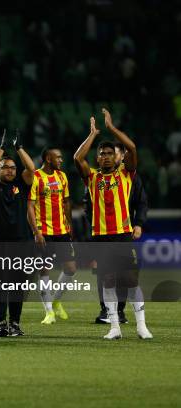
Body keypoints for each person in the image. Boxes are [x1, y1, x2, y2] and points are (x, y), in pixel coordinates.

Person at [73, 110, 152, 340]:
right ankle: (115, 327)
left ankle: (141, 326)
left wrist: (112, 128)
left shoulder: (126, 174)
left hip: (122, 234)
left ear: (116, 157)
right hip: (101, 236)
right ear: (98, 158)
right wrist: (92, 135)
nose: (106, 156)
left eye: (110, 153)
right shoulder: (92, 178)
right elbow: (78, 159)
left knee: (130, 280)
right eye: (102, 154)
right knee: (107, 279)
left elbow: (133, 148)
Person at [0, 129, 35, 337]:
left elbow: (31, 168)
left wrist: (19, 148)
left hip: (20, 242)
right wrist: (2, 147)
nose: (10, 171)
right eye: (5, 168)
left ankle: (15, 323)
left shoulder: (22, 185)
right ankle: (1, 324)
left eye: (13, 168)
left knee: (17, 285)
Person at [91, 142, 148, 324]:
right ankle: (106, 311)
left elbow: (141, 202)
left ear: (121, 156)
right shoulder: (97, 178)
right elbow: (88, 204)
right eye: (105, 154)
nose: (110, 157)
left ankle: (121, 310)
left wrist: (138, 223)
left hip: (124, 230)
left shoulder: (130, 175)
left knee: (127, 275)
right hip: (101, 231)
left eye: (114, 154)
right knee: (104, 275)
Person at [27, 146, 77, 324]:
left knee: (70, 269)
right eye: (58, 157)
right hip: (44, 232)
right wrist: (36, 231)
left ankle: (55, 301)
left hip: (62, 231)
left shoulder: (62, 176)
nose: (61, 160)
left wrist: (69, 223)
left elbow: (66, 201)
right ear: (48, 159)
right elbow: (30, 207)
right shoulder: (37, 177)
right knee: (44, 269)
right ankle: (48, 311)